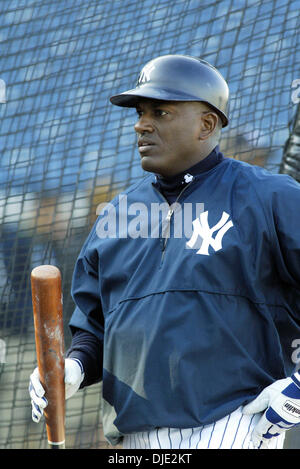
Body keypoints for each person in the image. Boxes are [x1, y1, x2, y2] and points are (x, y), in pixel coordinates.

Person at [29, 55, 300, 449]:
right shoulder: (115, 216)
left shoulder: (269, 197)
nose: (141, 123)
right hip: (130, 440)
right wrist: (72, 368)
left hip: (233, 428)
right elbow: (95, 328)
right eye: (140, 112)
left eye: (160, 111)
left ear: (206, 124)